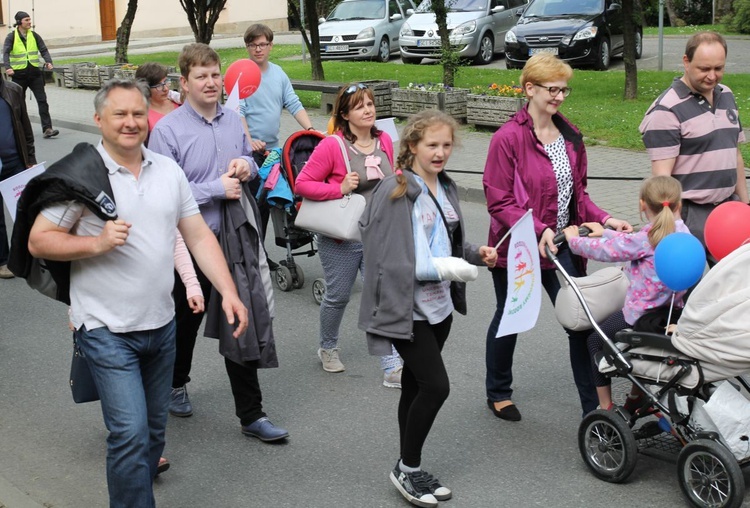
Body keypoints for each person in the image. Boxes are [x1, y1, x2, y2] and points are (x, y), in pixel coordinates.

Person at [26, 78, 248, 508]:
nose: (131, 123)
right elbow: (39, 240)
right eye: (119, 114)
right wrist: (97, 242)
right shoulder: (82, 178)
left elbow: (199, 236)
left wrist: (228, 291)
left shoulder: (168, 171)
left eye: (137, 114)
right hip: (105, 328)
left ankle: (135, 492)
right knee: (128, 433)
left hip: (161, 325)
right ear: (98, 120)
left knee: (152, 433)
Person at [149, 43, 288, 442]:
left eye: (215, 75)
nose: (210, 83)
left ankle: (252, 415)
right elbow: (163, 194)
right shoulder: (168, 131)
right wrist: (215, 188)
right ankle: (175, 382)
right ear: (184, 82)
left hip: (234, 240)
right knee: (185, 321)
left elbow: (248, 163)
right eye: (201, 76)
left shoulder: (232, 121)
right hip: (189, 247)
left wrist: (247, 166)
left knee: (239, 316)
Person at [358, 110, 497, 508]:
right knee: (437, 387)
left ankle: (410, 468)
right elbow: (387, 256)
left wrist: (475, 254)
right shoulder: (396, 189)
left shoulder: (447, 187)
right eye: (431, 145)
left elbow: (446, 245)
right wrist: (453, 268)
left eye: (446, 145)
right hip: (406, 310)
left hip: (440, 309)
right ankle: (407, 467)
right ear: (413, 146)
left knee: (417, 386)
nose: (440, 153)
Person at [483, 53, 633, 420]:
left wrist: (607, 218)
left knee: (581, 324)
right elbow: (498, 200)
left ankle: (595, 413)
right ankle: (498, 391)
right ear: (529, 88)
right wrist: (540, 229)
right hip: (521, 247)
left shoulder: (570, 135)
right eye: (553, 89)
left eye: (564, 89)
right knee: (511, 316)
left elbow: (578, 195)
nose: (560, 96)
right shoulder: (507, 139)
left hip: (563, 247)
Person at [295, 83, 403, 387]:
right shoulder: (333, 146)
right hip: (342, 237)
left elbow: (390, 178)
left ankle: (391, 365)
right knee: (338, 296)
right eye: (359, 106)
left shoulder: (384, 141)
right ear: (344, 113)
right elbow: (302, 184)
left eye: (370, 104)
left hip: (378, 234)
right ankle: (327, 347)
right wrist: (339, 188)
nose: (368, 110)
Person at [563, 175, 690, 410]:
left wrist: (573, 241)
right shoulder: (683, 233)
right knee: (642, 354)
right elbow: (634, 241)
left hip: (639, 317)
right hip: (672, 313)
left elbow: (606, 252)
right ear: (678, 205)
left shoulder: (647, 239)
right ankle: (635, 397)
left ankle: (604, 406)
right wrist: (606, 232)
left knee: (593, 342)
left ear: (642, 204)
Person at [639, 31, 748, 262]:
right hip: (691, 214)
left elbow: (734, 153)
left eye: (718, 68)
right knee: (687, 291)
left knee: (733, 288)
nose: (712, 76)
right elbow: (662, 179)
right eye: (704, 69)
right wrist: (672, 225)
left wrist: (745, 203)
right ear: (686, 62)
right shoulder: (666, 110)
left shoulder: (726, 94)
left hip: (729, 210)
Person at [239, 23, 314, 267]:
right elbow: (237, 111)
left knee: (274, 202)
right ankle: (254, 256)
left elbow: (292, 102)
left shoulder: (278, 73)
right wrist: (249, 140)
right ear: (247, 47)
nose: (258, 49)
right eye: (253, 45)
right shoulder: (242, 74)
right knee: (256, 206)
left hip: (273, 151)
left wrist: (310, 130)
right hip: (250, 152)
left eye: (262, 44)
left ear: (271, 46)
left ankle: (259, 253)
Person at [0, 75, 36, 279]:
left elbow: (25, 126)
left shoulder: (13, 90)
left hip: (15, 162)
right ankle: (3, 260)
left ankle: (21, 255)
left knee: (22, 210)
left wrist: (29, 157)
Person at [2, 11, 59, 138]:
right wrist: (8, 67)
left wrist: (48, 61)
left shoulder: (34, 35)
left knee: (42, 101)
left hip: (35, 74)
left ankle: (47, 128)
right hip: (18, 75)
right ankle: (20, 129)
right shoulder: (11, 37)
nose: (29, 22)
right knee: (19, 104)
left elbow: (43, 49)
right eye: (26, 20)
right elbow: (5, 53)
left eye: (29, 20)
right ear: (19, 22)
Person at [134, 62, 181, 133]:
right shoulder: (143, 115)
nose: (165, 89)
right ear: (146, 88)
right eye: (159, 85)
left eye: (166, 82)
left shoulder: (179, 102)